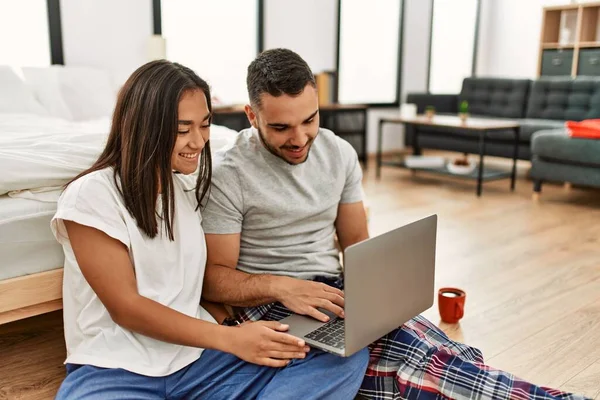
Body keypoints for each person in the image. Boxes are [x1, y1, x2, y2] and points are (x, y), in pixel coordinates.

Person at [201, 48, 590, 400]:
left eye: (310, 119)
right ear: (252, 116)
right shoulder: (228, 173)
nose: (300, 138)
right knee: (429, 373)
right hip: (274, 310)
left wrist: (377, 297)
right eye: (281, 128)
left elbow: (356, 244)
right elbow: (214, 278)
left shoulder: (339, 153)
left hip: (333, 294)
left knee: (455, 356)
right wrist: (283, 287)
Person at [50, 59, 368, 400]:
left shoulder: (188, 191)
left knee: (341, 357)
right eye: (182, 129)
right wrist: (232, 338)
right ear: (142, 126)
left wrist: (238, 332)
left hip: (199, 361)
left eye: (205, 125)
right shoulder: (92, 195)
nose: (199, 141)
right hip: (116, 369)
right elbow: (126, 307)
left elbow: (197, 282)